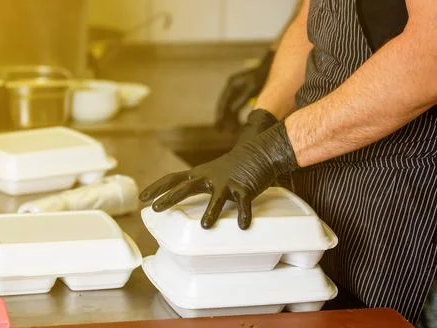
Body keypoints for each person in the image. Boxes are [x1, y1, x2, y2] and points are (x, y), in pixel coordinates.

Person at [139, 0, 436, 325]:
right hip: (330, 185)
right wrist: (262, 119)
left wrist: (272, 150)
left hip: (407, 198)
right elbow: (312, 18)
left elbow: (429, 56)